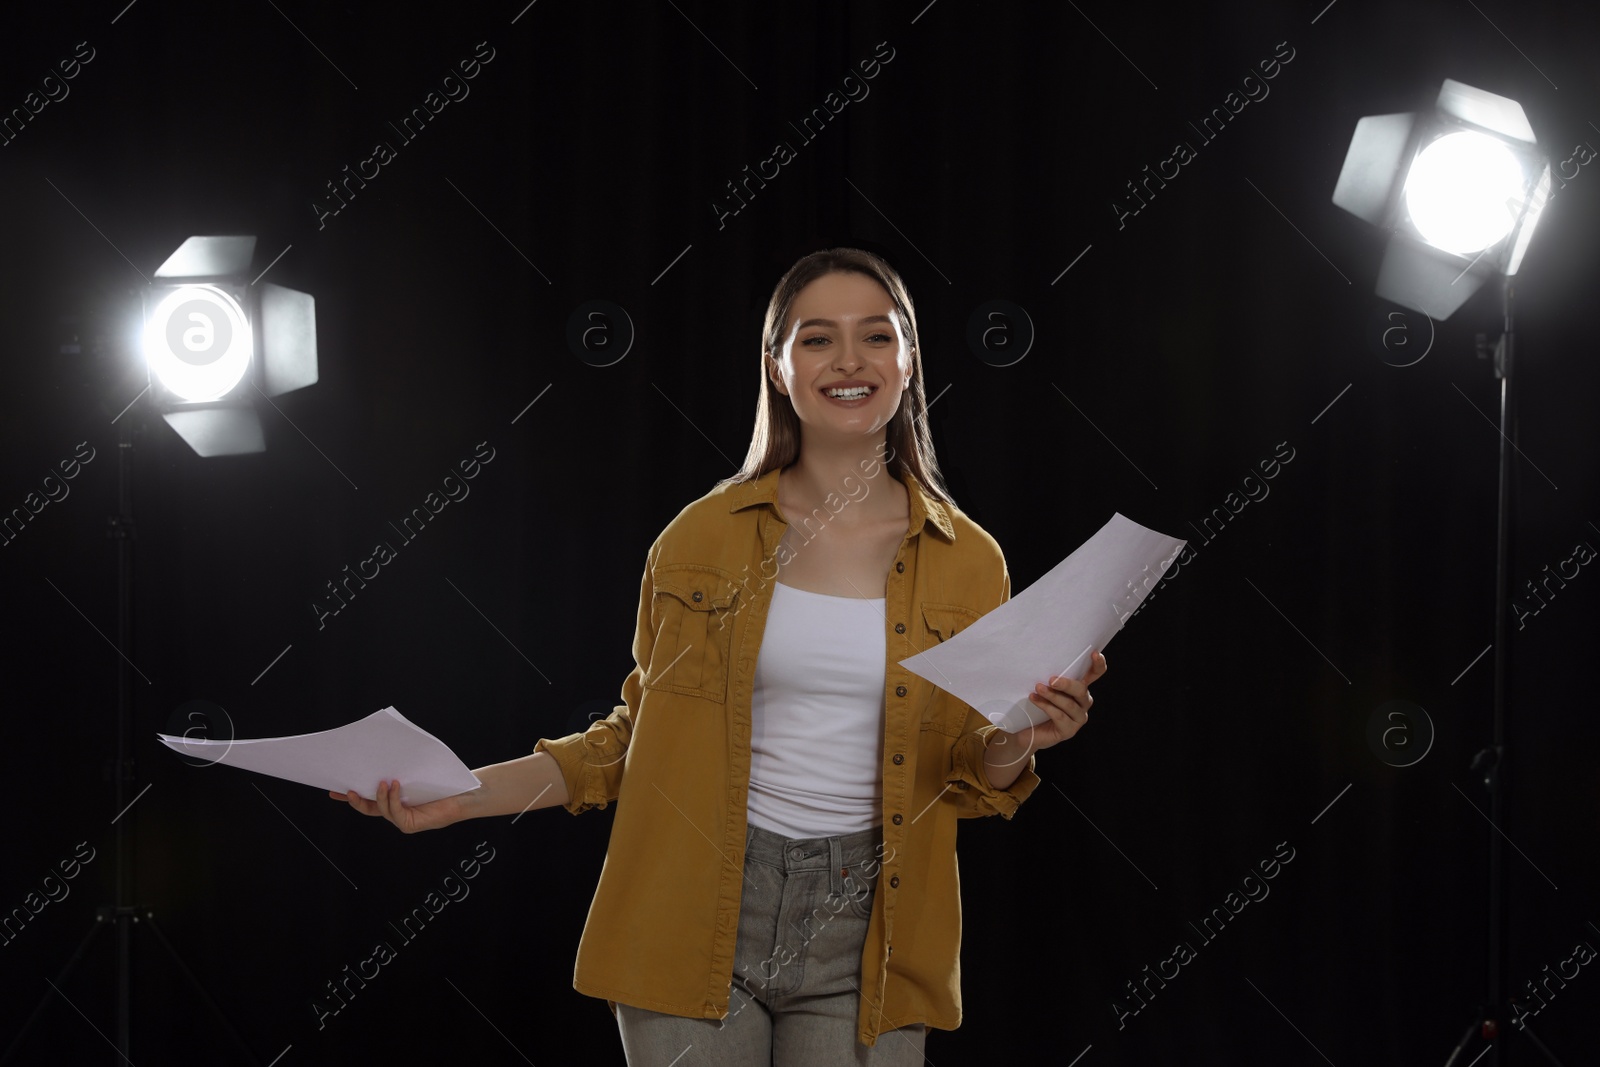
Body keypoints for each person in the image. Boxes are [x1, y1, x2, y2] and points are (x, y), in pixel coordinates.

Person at [331, 247, 1106, 1065]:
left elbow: (964, 766)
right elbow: (632, 740)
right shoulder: (700, 537)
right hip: (690, 904)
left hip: (871, 931)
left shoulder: (970, 561)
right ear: (776, 366)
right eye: (817, 339)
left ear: (909, 362)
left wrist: (1022, 736)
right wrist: (460, 798)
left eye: (877, 336)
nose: (849, 360)